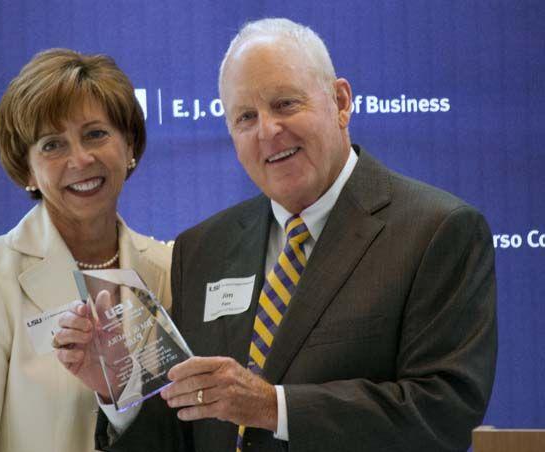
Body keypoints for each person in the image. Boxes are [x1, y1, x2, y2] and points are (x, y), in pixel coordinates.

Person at [58, 18, 497, 452]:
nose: (268, 131)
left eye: (286, 104)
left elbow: (443, 412)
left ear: (341, 102)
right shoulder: (202, 247)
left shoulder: (437, 230)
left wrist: (275, 407)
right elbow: (183, 430)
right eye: (245, 117)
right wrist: (120, 389)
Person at [0, 49, 172, 452]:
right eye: (53, 145)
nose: (81, 159)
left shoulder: (170, 269)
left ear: (129, 145)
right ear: (27, 170)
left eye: (96, 134)